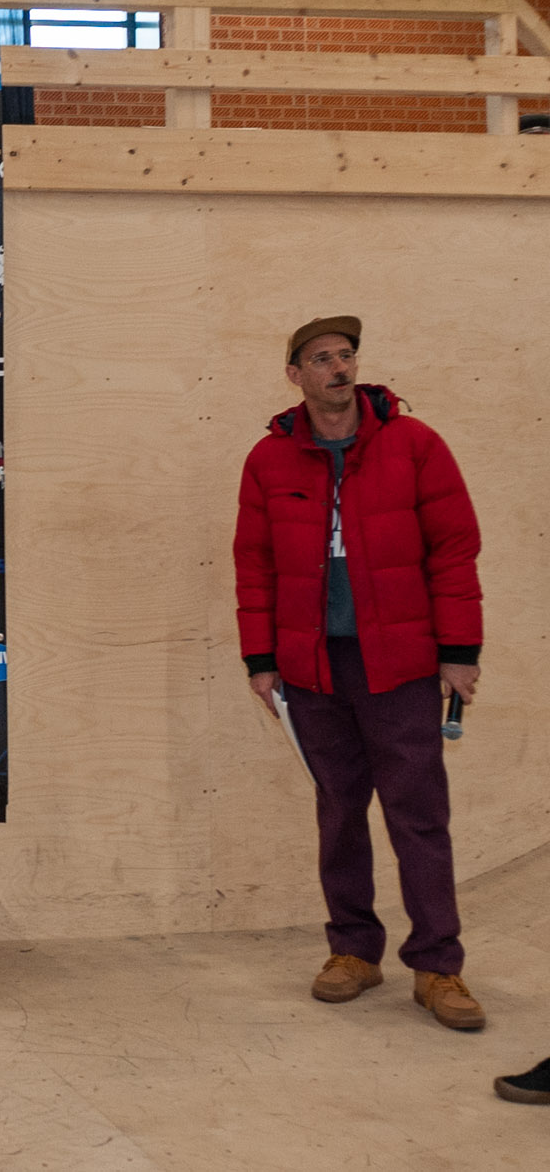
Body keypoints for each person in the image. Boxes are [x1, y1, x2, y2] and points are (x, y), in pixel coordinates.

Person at [232, 316, 486, 1029]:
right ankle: (353, 950)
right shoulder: (269, 460)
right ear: (296, 375)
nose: (338, 367)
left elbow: (454, 548)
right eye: (321, 358)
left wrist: (459, 650)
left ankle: (438, 965)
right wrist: (261, 658)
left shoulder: (415, 445)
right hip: (314, 666)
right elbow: (254, 562)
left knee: (418, 816)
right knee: (340, 813)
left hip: (401, 664)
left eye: (346, 355)